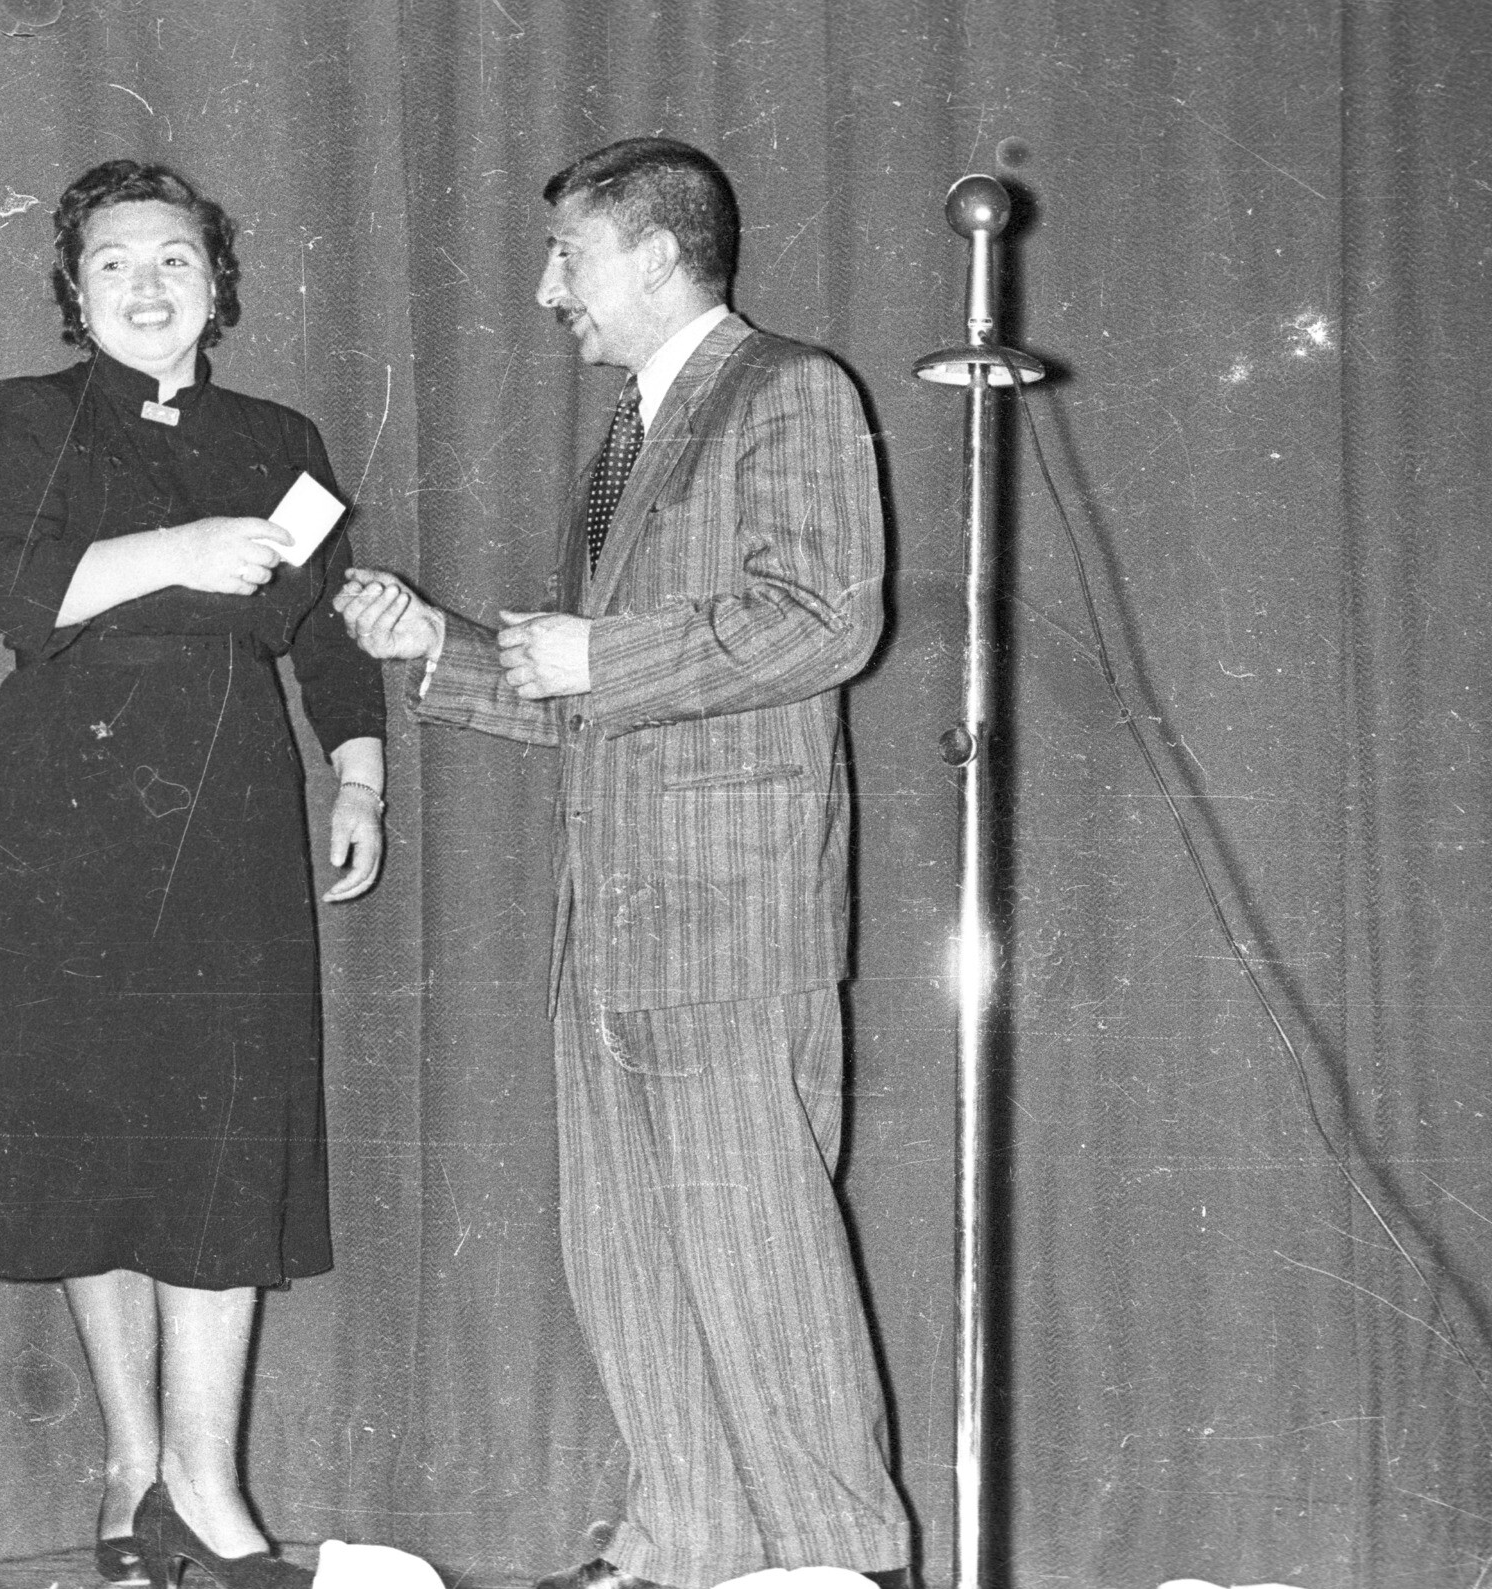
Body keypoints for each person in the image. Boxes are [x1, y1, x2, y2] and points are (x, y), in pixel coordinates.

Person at [335, 138, 913, 1589]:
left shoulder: (791, 392)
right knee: (635, 1267)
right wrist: (444, 653)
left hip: (730, 926)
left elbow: (826, 618)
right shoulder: (639, 433)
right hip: (614, 931)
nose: (546, 292)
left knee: (758, 1261)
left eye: (566, 257)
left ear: (657, 257)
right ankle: (691, 1545)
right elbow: (603, 696)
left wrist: (606, 647)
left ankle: (844, 1559)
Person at [0, 159, 386, 1589]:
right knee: (102, 1139)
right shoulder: (25, 418)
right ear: (74, 293)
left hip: (225, 799)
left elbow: (329, 633)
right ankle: (142, 1474)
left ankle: (205, 1494)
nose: (147, 285)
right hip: (71, 797)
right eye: (113, 265)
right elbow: (13, 588)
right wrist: (182, 547)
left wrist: (360, 772)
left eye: (173, 260)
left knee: (217, 1135)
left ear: (216, 287)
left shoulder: (279, 435)